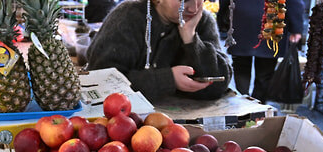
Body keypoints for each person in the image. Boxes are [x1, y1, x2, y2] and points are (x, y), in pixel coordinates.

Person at [86, 0, 233, 102]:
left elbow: (220, 82)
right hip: (127, 125)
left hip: (186, 130)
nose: (194, 8)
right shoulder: (128, 17)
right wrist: (168, 80)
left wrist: (191, 38)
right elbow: (101, 81)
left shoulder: (202, 21)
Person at [221, 0, 304, 101]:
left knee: (241, 68)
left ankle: (243, 104)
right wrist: (296, 27)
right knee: (265, 73)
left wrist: (223, 19)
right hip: (271, 19)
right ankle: (258, 109)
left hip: (241, 18)